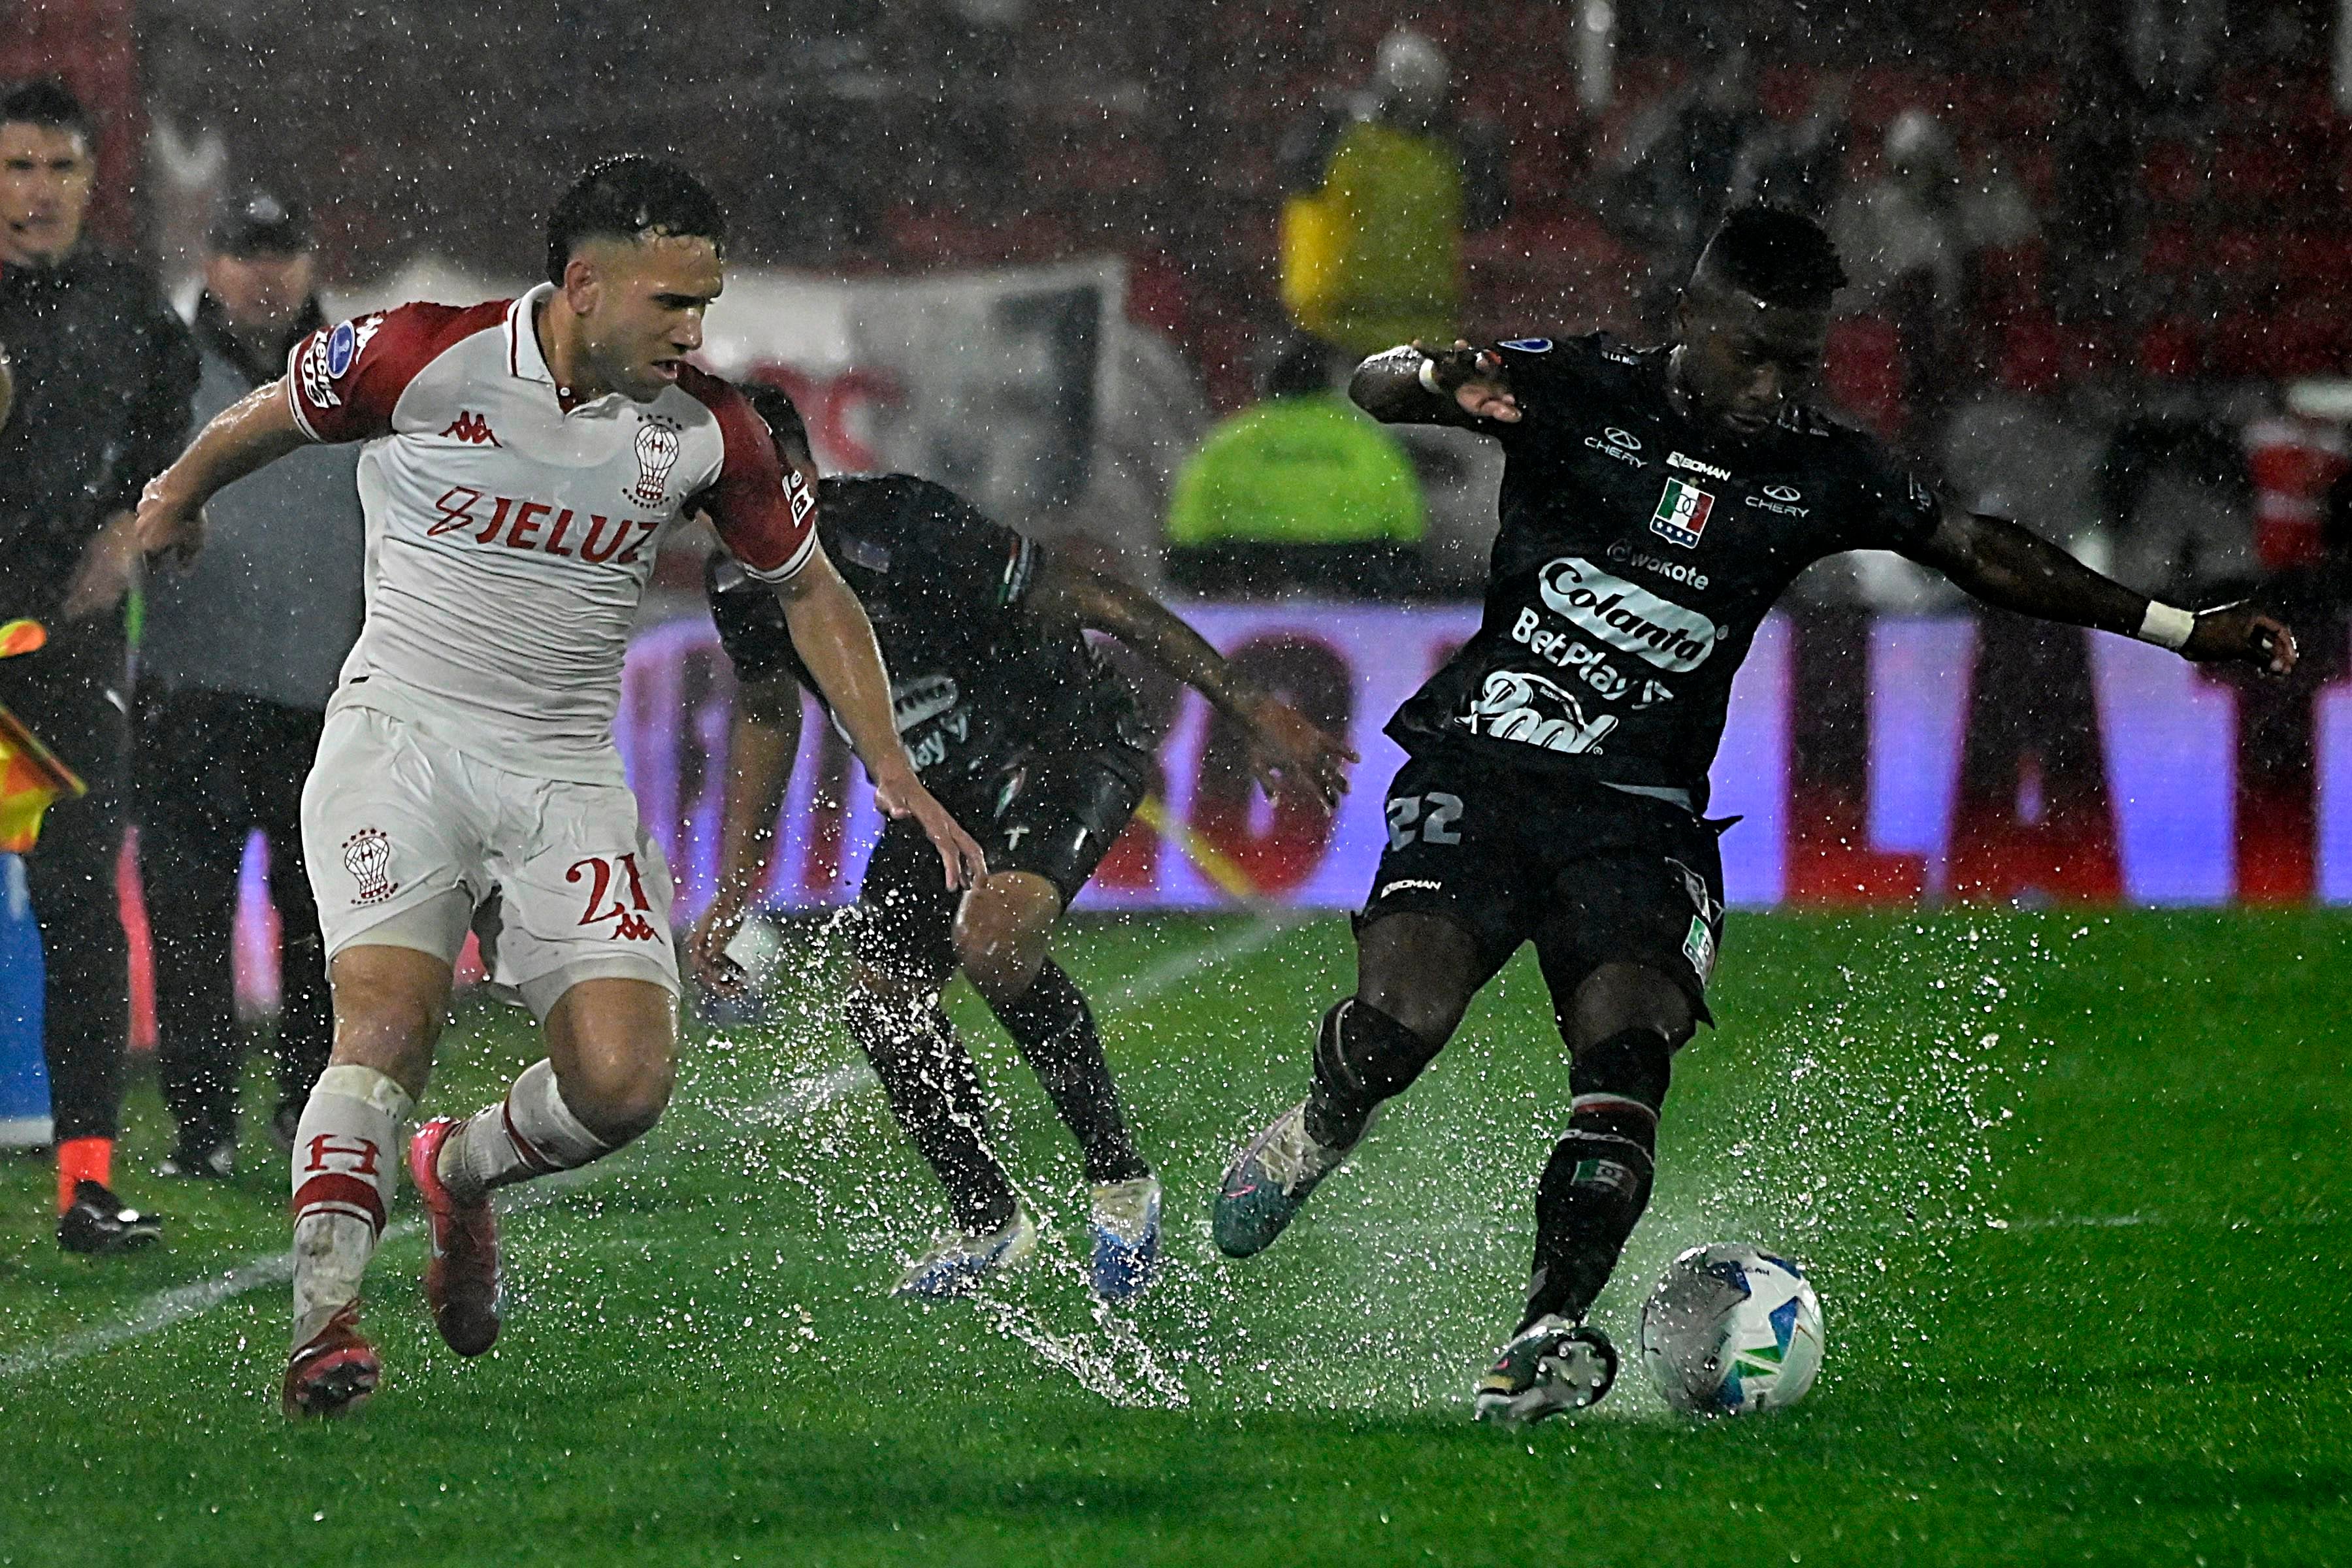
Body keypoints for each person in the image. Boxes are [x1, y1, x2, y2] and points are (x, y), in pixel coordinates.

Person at [1210, 207, 2296, 1424]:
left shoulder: (1818, 469)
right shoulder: (1579, 386)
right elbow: (1376, 386)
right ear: (1696, 317)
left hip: (1641, 817)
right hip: (1483, 770)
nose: (1775, 386)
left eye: (1801, 361)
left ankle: (1543, 1333)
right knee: (1400, 1027)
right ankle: (1319, 1126)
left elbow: (1977, 549)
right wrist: (1424, 374)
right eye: (1756, 354)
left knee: (1623, 1062)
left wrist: (2181, 627)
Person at [135, 154, 985, 1420]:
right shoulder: (423, 356)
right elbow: (274, 412)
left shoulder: (709, 430)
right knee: (387, 1022)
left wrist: (895, 770)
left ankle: (459, 1172)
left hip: (563, 773)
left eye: (707, 303)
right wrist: (176, 493)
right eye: (672, 304)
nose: (696, 332)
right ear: (585, 284)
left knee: (627, 1084)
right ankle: (325, 1328)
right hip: (399, 746)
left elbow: (810, 588)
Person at [692, 384, 1354, 1299]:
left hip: (1065, 743)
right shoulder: (737, 583)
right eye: (730, 503)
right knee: (880, 1003)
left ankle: (1120, 1183)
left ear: (807, 471)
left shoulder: (906, 524)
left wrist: (1249, 707)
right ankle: (989, 1224)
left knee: (996, 940)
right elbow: (769, 712)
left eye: (769, 485)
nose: (756, 516)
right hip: (937, 792)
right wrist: (733, 886)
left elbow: (1097, 599)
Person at [0, 78, 201, 1253]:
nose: (37, 193)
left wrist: (139, 525)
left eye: (57, 169)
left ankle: (85, 1184)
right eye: (17, 167)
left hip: (65, 668)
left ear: (89, 178)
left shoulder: (127, 306)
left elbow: (181, 457)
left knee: (80, 910)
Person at [137, 189, 361, 1179]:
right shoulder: (158, 373)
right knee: (189, 921)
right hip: (190, 690)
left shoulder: (363, 378)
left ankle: (312, 1108)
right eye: (244, 253)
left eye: (283, 251)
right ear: (210, 261)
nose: (265, 274)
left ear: (311, 260)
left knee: (329, 925)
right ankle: (201, 1129)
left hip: (329, 696)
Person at [1277, 29, 1506, 360]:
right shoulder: (1337, 136)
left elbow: (1486, 214)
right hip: (1345, 330)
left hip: (1404, 331)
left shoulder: (1443, 154)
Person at [1164, 334, 1426, 598]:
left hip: (1248, 573)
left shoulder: (1231, 440)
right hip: (1348, 571)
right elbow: (1409, 527)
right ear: (1328, 385)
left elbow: (1186, 529)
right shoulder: (1366, 440)